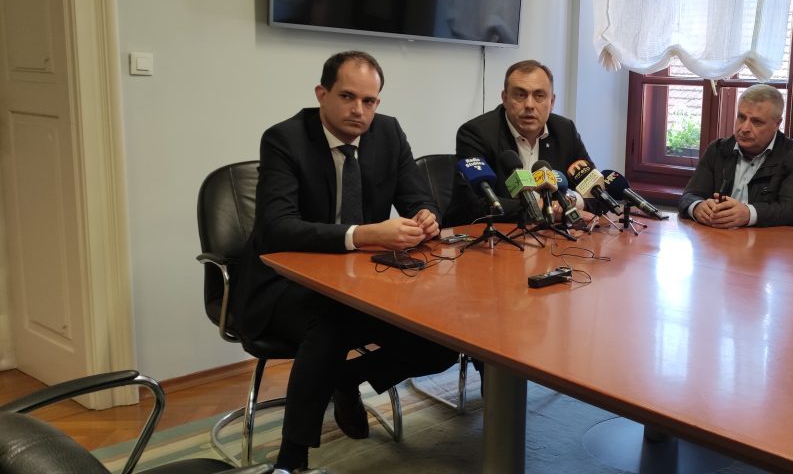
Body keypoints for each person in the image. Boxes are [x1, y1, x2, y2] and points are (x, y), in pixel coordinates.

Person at [230, 51, 458, 472]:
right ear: (322, 94)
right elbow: (277, 228)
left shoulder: (388, 133)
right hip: (282, 283)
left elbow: (417, 197)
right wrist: (364, 234)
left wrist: (427, 215)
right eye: (347, 97)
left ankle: (346, 379)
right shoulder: (285, 139)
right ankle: (292, 458)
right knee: (331, 320)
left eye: (369, 101)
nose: (359, 110)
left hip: (361, 281)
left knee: (442, 332)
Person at [453, 59, 596, 223]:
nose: (529, 105)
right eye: (520, 95)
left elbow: (596, 191)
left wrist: (569, 201)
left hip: (554, 235)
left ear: (552, 102)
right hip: (497, 234)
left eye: (539, 96)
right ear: (505, 98)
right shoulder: (477, 133)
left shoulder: (565, 131)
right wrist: (541, 209)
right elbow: (475, 204)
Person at [678, 84, 793, 228]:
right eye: (741, 117)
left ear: (777, 124)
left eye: (757, 122)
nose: (744, 128)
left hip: (765, 240)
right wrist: (697, 206)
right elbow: (688, 196)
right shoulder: (717, 149)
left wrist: (749, 214)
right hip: (717, 236)